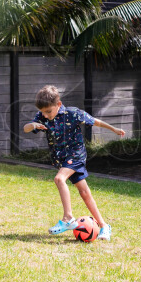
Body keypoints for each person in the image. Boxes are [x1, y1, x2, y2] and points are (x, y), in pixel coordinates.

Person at [23, 85, 125, 241]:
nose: (46, 115)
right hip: (62, 160)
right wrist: (33, 125)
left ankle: (68, 218)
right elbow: (26, 128)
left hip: (76, 156)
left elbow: (95, 121)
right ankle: (104, 226)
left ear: (58, 104)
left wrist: (114, 129)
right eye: (43, 112)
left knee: (59, 179)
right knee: (84, 193)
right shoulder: (42, 116)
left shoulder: (72, 113)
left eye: (48, 111)